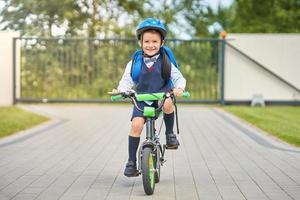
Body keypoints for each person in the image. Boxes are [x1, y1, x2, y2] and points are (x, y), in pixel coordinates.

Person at [112, 18, 186, 177]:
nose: (150, 45)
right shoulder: (135, 62)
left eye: (154, 41)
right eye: (146, 41)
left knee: (168, 102)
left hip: (161, 96)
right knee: (136, 125)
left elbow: (178, 77)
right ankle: (131, 162)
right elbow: (126, 80)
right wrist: (121, 90)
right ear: (140, 42)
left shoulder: (165, 61)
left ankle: (170, 135)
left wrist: (179, 88)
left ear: (162, 42)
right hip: (142, 99)